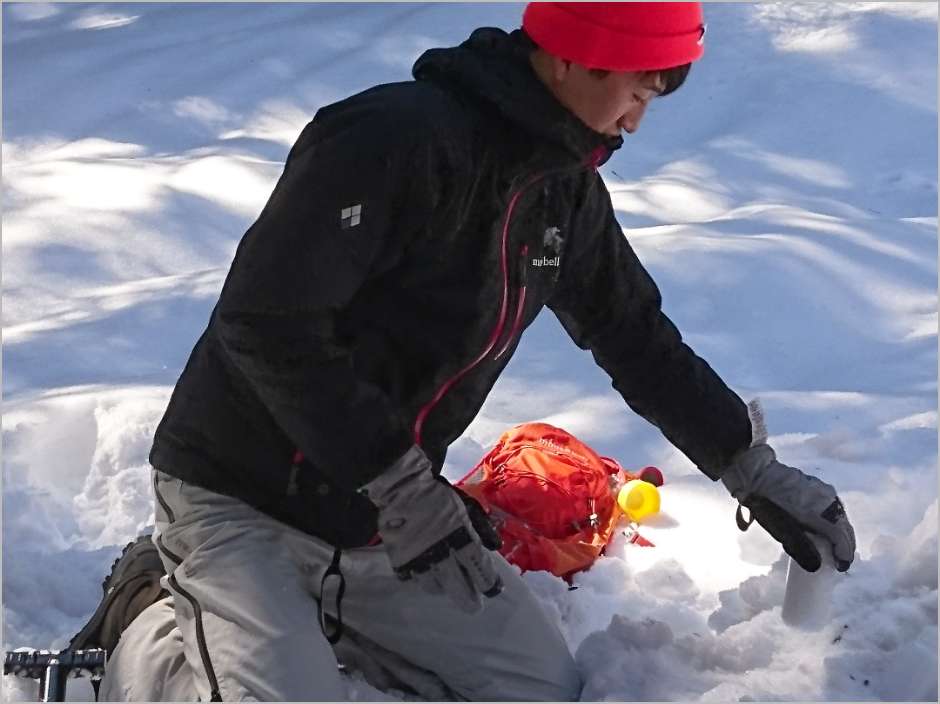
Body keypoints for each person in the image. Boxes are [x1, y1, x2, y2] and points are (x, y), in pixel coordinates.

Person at [72, 3, 856, 701]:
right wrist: (402, 486)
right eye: (637, 88)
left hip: (380, 519)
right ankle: (145, 613)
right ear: (575, 52)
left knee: (539, 689)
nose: (637, 119)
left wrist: (747, 464)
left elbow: (636, 335)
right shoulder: (392, 140)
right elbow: (265, 324)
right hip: (239, 494)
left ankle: (301, 624)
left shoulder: (564, 193)